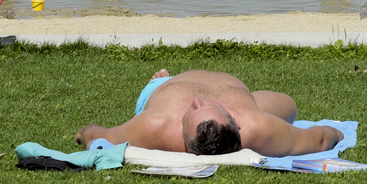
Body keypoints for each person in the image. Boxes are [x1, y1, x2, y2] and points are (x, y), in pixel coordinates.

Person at [74, 68, 344, 156]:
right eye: (205, 107)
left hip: (166, 92)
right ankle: (247, 100)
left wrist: (83, 134)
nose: (197, 100)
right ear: (235, 121)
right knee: (288, 105)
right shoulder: (256, 126)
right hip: (245, 102)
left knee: (151, 97)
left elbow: (100, 137)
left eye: (193, 110)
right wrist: (338, 134)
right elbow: (321, 138)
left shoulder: (155, 125)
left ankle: (154, 85)